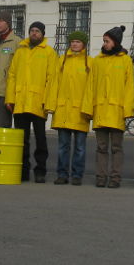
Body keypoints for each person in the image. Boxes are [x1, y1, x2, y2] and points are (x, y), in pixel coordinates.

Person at [82, 26, 134, 188]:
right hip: (100, 110)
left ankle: (115, 178)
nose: (104, 44)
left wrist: (128, 111)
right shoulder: (97, 60)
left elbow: (129, 87)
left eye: (107, 41)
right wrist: (88, 108)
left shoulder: (125, 60)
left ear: (115, 42)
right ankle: (101, 177)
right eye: (104, 41)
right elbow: (90, 85)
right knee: (101, 147)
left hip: (117, 110)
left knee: (117, 147)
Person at [5, 21, 57, 183]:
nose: (34, 33)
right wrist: (10, 99)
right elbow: (12, 76)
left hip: (38, 102)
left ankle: (40, 170)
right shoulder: (20, 51)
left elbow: (52, 79)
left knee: (41, 139)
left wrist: (48, 102)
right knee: (22, 139)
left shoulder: (49, 52)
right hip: (20, 102)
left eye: (37, 31)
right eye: (32, 30)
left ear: (42, 34)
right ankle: (23, 170)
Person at [47, 31, 91, 186]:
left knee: (80, 147)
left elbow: (90, 89)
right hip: (63, 111)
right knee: (62, 146)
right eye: (72, 41)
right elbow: (54, 84)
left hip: (80, 112)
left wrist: (88, 109)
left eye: (78, 42)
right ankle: (62, 174)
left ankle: (77, 175)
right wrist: (51, 106)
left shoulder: (89, 63)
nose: (74, 44)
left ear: (84, 44)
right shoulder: (62, 61)